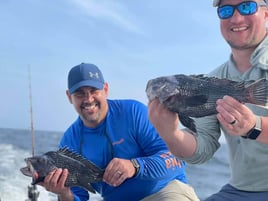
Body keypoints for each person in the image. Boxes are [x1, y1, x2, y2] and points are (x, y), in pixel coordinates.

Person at [148, 0, 268, 201]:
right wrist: (171, 134)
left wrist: (253, 126)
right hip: (242, 191)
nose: (236, 18)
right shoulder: (214, 78)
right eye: (226, 10)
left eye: (247, 6)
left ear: (266, 13)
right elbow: (203, 148)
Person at [39, 62, 200, 201]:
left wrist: (134, 166)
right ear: (69, 97)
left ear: (106, 89)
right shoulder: (70, 141)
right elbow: (77, 196)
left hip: (164, 191)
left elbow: (175, 159)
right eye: (80, 93)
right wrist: (63, 193)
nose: (88, 99)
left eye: (94, 91)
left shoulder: (134, 112)